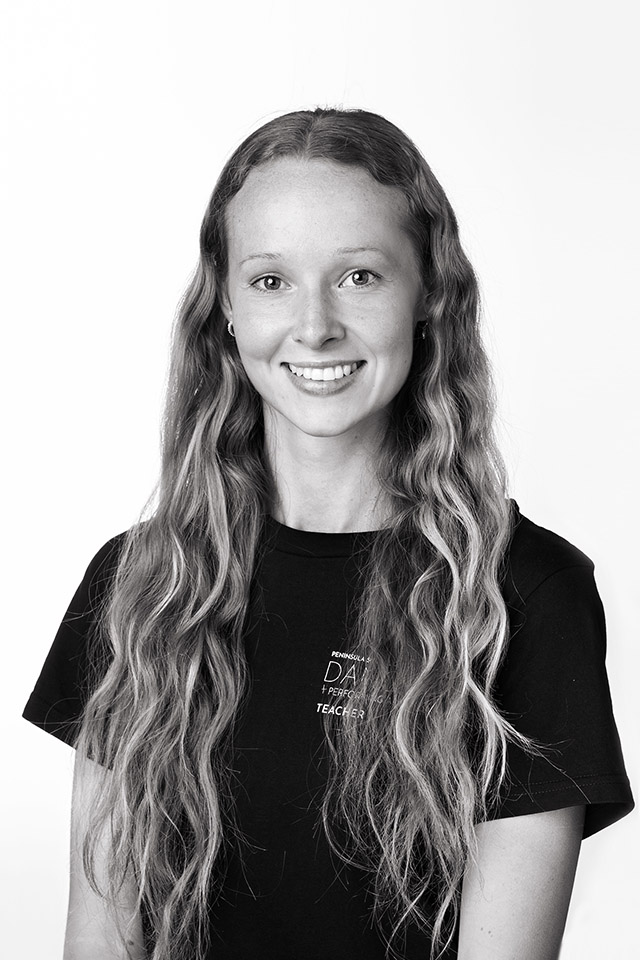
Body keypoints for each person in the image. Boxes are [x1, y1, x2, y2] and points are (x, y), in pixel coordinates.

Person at [23, 107, 633, 960]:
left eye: (359, 276)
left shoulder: (522, 597)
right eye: (271, 280)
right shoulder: (139, 585)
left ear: (430, 294)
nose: (314, 326)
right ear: (225, 306)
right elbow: (99, 943)